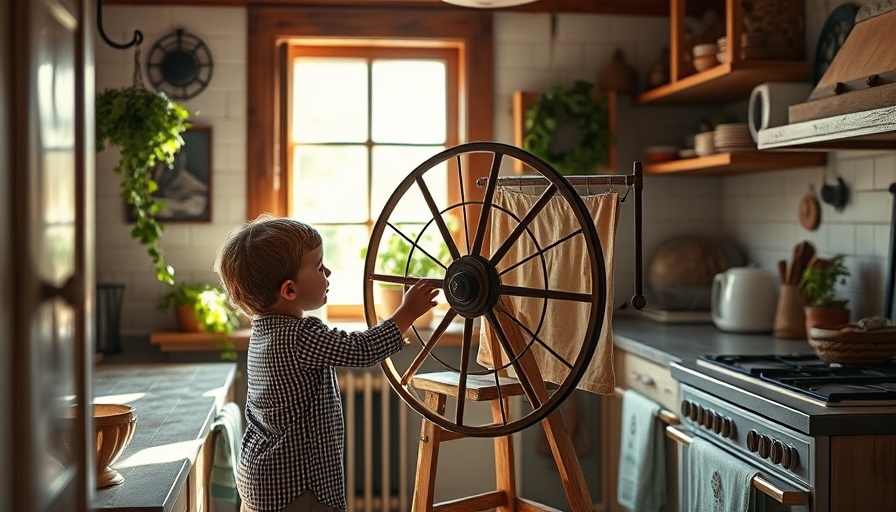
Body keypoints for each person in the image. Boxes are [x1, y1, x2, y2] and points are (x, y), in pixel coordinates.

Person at [214, 215, 438, 512]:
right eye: (319, 266)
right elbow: (362, 349)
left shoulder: (263, 332)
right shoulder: (300, 335)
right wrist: (406, 313)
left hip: (261, 479)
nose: (328, 271)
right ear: (289, 290)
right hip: (297, 488)